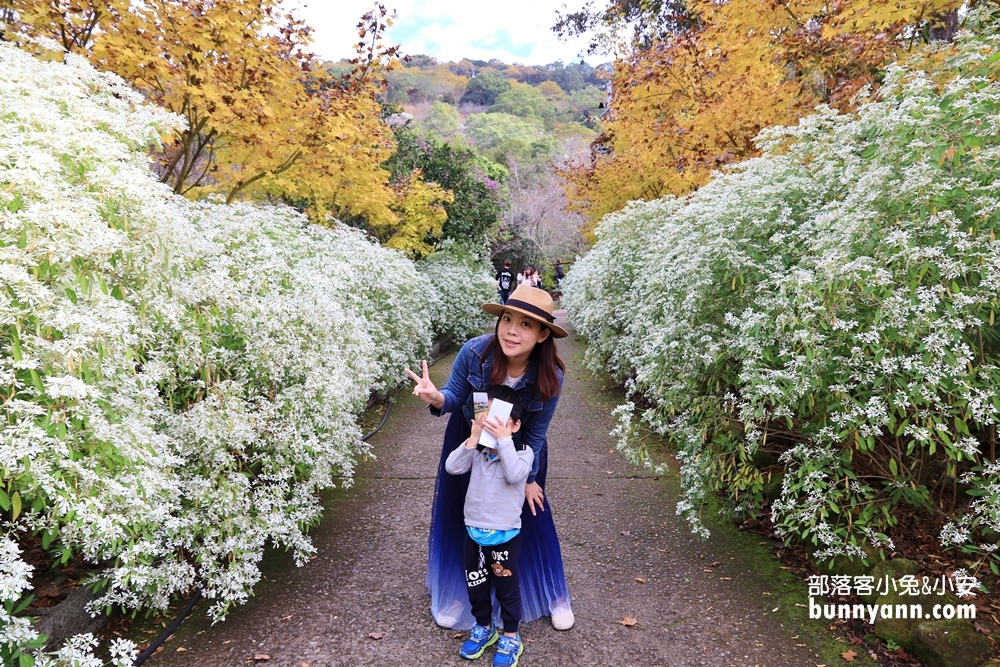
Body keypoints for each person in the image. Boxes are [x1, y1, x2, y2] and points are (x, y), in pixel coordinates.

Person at [404, 284, 575, 632]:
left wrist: (529, 479)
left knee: (530, 513)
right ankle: (459, 593)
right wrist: (437, 397)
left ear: (543, 334)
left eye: (526, 325)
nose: (512, 330)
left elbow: (538, 434)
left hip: (520, 447)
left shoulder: (551, 374)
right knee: (464, 514)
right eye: (507, 319)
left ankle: (550, 593)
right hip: (471, 438)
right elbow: (453, 396)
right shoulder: (475, 351)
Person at [446, 385, 531, 666]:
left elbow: (515, 474)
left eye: (501, 422)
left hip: (505, 534)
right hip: (474, 531)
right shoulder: (478, 452)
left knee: (507, 588)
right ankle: (484, 626)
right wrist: (472, 438)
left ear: (516, 425)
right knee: (477, 585)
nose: (493, 428)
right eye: (488, 420)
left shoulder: (523, 453)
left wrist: (504, 441)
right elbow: (452, 467)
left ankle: (510, 635)